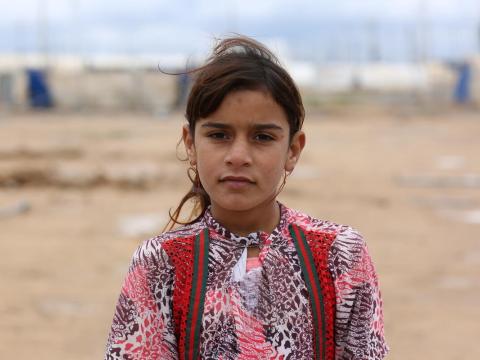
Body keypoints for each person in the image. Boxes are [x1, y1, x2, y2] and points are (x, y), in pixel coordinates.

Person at [104, 35, 388, 360]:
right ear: (191, 144)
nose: (238, 156)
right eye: (219, 135)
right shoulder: (160, 263)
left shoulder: (340, 254)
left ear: (293, 150)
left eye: (262, 137)